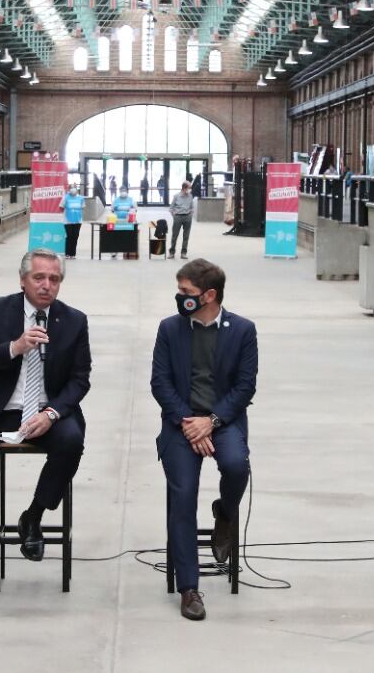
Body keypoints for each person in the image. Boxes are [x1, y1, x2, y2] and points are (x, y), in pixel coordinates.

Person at [0, 249, 91, 614]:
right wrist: (14, 347)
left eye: (54, 279)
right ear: (23, 280)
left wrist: (53, 413)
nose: (46, 286)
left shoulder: (73, 321)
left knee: (71, 441)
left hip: (44, 411)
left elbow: (79, 379)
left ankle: (33, 516)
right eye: (39, 278)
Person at [151, 259, 257, 621]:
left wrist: (210, 422)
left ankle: (225, 514)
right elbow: (160, 383)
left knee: (235, 465)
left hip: (222, 421)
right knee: (182, 494)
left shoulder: (242, 330)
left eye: (186, 293)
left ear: (209, 295)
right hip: (182, 423)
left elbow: (245, 387)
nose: (180, 299)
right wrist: (189, 423)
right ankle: (189, 588)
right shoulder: (170, 329)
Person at [169, 180, 195, 259]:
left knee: (186, 236)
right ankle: (172, 252)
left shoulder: (190, 196)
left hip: (187, 217)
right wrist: (175, 216)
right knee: (175, 235)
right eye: (189, 188)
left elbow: (192, 207)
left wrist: (190, 213)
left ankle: (183, 253)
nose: (190, 189)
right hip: (178, 217)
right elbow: (171, 208)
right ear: (184, 188)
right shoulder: (176, 196)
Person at [60, 185, 85, 259]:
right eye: (71, 188)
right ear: (69, 189)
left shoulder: (81, 198)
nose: (72, 190)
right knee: (69, 236)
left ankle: (73, 254)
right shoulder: (66, 197)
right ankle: (67, 253)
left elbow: (83, 207)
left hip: (78, 220)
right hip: (67, 221)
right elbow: (61, 206)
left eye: (74, 188)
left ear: (76, 189)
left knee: (75, 236)